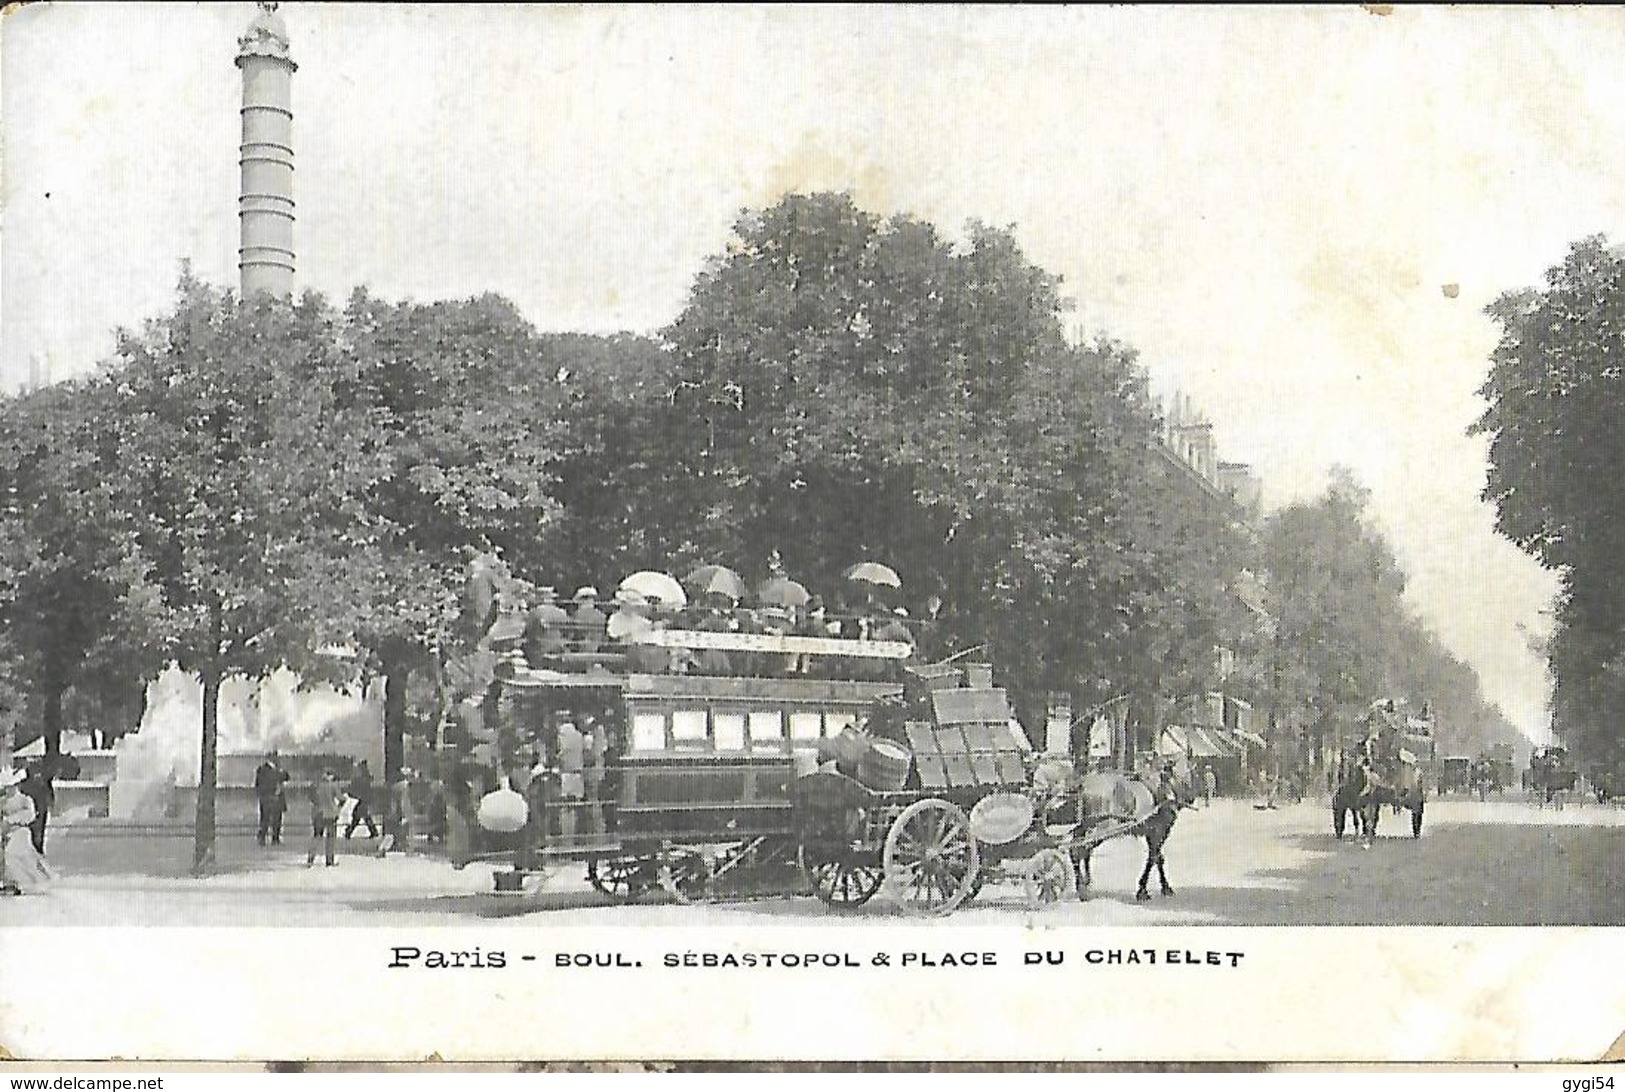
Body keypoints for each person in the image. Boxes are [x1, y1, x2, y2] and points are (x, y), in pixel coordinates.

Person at [3, 766, 55, 893]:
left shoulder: (25, 800)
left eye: (12, 787)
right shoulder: (3, 802)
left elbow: (30, 815)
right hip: (8, 834)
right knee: (9, 857)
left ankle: (32, 882)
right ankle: (14, 882)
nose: (10, 790)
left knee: (18, 855)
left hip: (21, 832)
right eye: (7, 787)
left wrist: (12, 820)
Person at [524, 587, 571, 665]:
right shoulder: (562, 613)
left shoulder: (536, 612)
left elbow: (529, 631)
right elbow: (568, 631)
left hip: (540, 649)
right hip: (558, 647)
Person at [306, 770, 344, 867]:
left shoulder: (316, 785)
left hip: (318, 814)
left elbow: (311, 797)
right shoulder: (333, 785)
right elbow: (341, 799)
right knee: (330, 838)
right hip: (330, 814)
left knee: (317, 836)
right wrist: (338, 808)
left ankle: (311, 858)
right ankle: (329, 860)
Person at [253, 751, 291, 846]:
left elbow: (287, 777)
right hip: (268, 798)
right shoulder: (263, 770)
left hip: (276, 798)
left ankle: (275, 838)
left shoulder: (277, 769)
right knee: (266, 818)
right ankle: (263, 837)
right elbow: (259, 784)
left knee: (277, 819)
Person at [17, 761, 54, 856]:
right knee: (38, 832)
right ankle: (38, 850)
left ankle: (37, 849)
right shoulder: (40, 783)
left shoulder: (26, 785)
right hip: (38, 810)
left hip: (37, 810)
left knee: (36, 832)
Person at [344, 760, 379, 839]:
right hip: (366, 799)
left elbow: (358, 787)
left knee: (357, 815)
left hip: (364, 799)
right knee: (362, 815)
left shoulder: (362, 778)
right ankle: (373, 831)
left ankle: (349, 831)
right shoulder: (366, 776)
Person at [571, 587, 607, 654]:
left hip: (581, 649)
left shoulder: (576, 615)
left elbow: (574, 635)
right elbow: (604, 637)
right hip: (597, 649)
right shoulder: (602, 616)